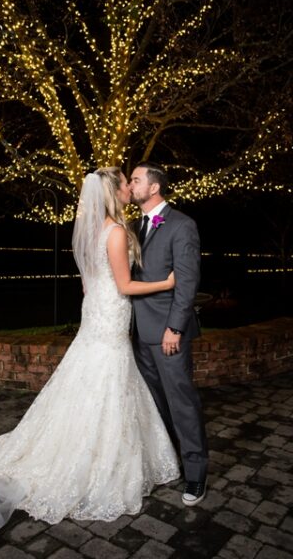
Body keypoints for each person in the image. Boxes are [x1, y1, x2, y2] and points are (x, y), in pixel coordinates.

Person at [0, 167, 180, 537]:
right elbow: (125, 284)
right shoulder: (117, 232)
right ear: (111, 193)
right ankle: (94, 458)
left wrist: (101, 291)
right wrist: (168, 281)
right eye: (123, 184)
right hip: (111, 313)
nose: (126, 189)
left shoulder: (93, 231)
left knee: (90, 376)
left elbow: (88, 283)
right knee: (108, 375)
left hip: (95, 313)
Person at [129, 162, 208, 506]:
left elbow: (187, 282)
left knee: (181, 403)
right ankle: (167, 463)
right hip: (137, 333)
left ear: (154, 187)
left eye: (135, 180)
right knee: (155, 404)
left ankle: (196, 474)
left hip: (167, 333)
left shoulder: (182, 225)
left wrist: (175, 328)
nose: (130, 185)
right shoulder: (134, 226)